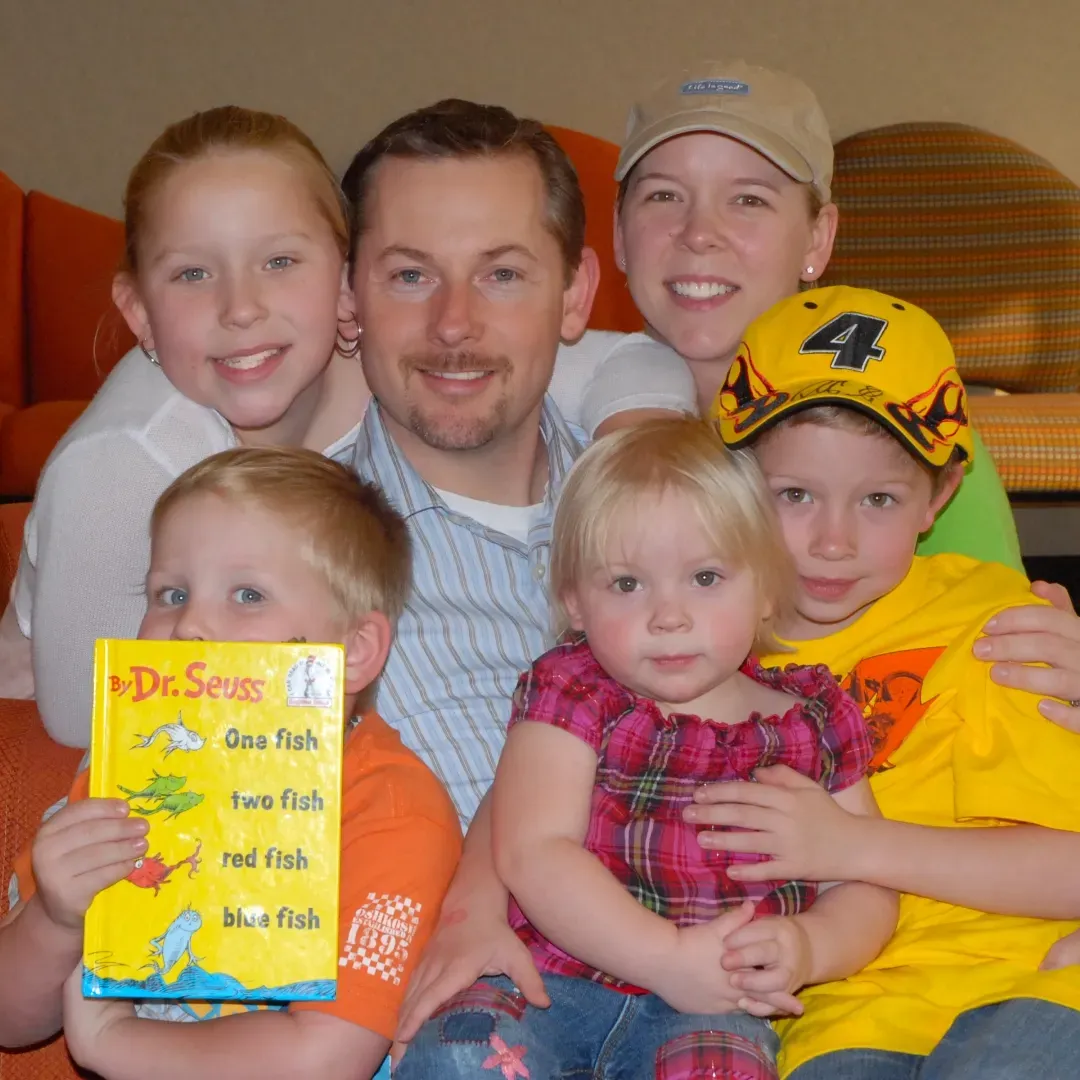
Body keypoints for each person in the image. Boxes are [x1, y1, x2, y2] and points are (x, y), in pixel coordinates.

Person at [0, 104, 694, 749]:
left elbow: (615, 361)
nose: (241, 308)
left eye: (502, 274)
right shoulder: (143, 471)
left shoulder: (395, 364)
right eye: (411, 276)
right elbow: (103, 726)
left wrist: (641, 475)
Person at [396, 418, 897, 1079]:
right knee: (460, 1058)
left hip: (716, 1004)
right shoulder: (572, 689)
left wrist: (809, 946)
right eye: (627, 584)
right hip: (551, 979)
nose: (669, 616)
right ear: (575, 599)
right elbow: (532, 850)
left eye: (707, 578)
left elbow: (864, 884)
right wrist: (664, 957)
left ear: (769, 587)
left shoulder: (813, 721)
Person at [700, 284, 1080, 1079]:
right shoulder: (701, 655)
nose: (832, 542)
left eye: (877, 499)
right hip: (841, 1016)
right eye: (794, 495)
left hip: (1032, 980)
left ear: (938, 496)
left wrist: (851, 843)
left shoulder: (991, 623)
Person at [0, 447, 462, 1080]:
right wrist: (55, 920)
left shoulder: (392, 807)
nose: (189, 625)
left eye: (247, 594)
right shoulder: (125, 771)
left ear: (355, 651)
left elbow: (325, 1058)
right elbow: (11, 1018)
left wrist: (112, 1042)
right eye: (170, 592)